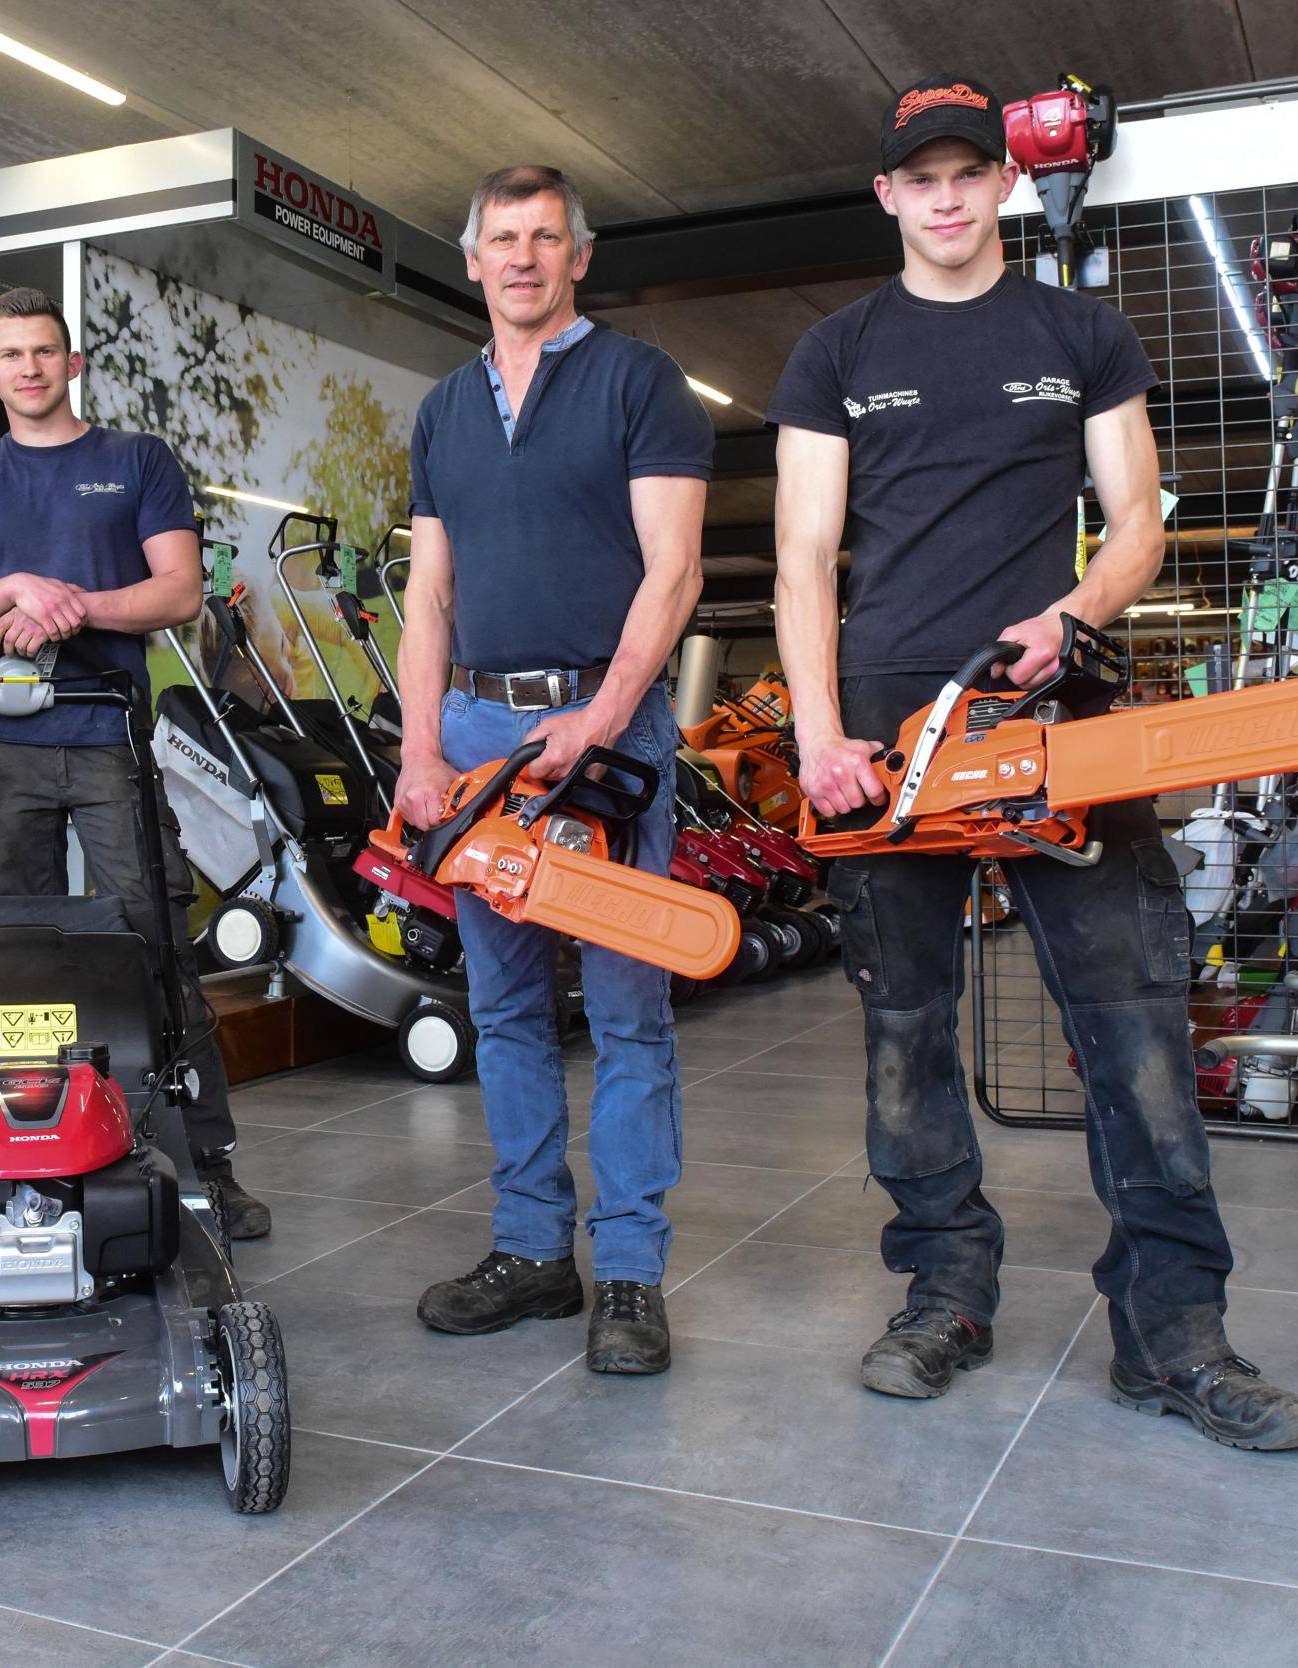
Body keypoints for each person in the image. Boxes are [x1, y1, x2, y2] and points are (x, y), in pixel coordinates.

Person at [768, 75, 1298, 1448]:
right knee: (904, 1038)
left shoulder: (1079, 331)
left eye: (969, 171)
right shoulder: (833, 352)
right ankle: (942, 1291)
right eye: (921, 176)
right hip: (889, 734)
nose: (947, 195)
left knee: (1129, 1024)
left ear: (1002, 185)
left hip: (1060, 715)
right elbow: (799, 556)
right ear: (887, 195)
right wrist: (817, 733)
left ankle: (1173, 1331)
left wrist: (1072, 615)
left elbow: (1134, 518)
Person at [395, 165, 712, 1374]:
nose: (521, 257)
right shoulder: (442, 412)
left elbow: (671, 573)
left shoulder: (639, 382)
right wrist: (421, 747)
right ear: (471, 260)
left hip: (607, 734)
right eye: (500, 239)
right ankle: (533, 1254)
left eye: (544, 238)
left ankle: (628, 1275)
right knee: (506, 1006)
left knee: (629, 1012)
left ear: (578, 256)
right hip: (476, 736)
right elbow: (429, 595)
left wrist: (605, 713)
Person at [0, 287, 271, 1240]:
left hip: (110, 738)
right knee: (19, 962)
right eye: (11, 356)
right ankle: (22, 1155)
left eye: (45, 352)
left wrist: (70, 603)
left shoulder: (137, 461)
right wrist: (16, 589)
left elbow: (178, 590)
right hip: (5, 749)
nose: (29, 368)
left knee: (152, 948)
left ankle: (207, 1162)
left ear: (73, 365)